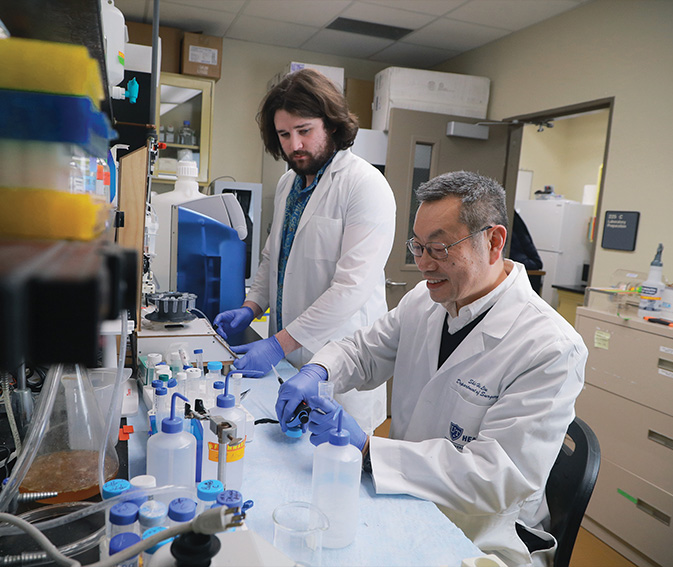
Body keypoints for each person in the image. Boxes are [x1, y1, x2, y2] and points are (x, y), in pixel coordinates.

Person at [276, 171, 587, 567]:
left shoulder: (550, 347)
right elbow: (363, 351)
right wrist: (318, 371)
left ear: (493, 242)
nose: (423, 264)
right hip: (402, 495)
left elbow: (498, 477)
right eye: (418, 246)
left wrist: (370, 450)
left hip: (481, 534)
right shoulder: (423, 301)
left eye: (439, 248)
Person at [213, 69, 395, 434]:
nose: (294, 144)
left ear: (331, 125)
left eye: (304, 131)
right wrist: (252, 308)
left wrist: (277, 345)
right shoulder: (287, 184)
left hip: (339, 359)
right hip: (290, 355)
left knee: (337, 462)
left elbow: (351, 287)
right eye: (284, 134)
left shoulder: (365, 185)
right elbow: (273, 260)